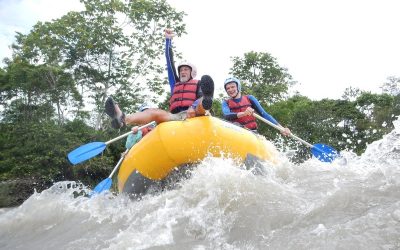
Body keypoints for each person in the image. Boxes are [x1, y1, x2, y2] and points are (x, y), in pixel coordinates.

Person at [105, 28, 214, 129]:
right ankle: (122, 119)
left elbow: (199, 98)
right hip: (175, 117)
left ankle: (207, 101)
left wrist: (193, 107)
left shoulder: (199, 83)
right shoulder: (175, 83)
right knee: (153, 112)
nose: (182, 71)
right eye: (181, 70)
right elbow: (169, 60)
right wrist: (168, 40)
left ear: (192, 73)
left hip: (194, 114)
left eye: (186, 69)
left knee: (202, 102)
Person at [221, 76, 291, 135]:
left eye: (233, 87)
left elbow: (264, 115)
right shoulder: (225, 102)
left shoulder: (250, 98)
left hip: (252, 133)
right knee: (236, 124)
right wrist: (244, 113)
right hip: (236, 133)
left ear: (238, 87)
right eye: (228, 88)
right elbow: (227, 115)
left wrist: (281, 128)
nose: (230, 89)